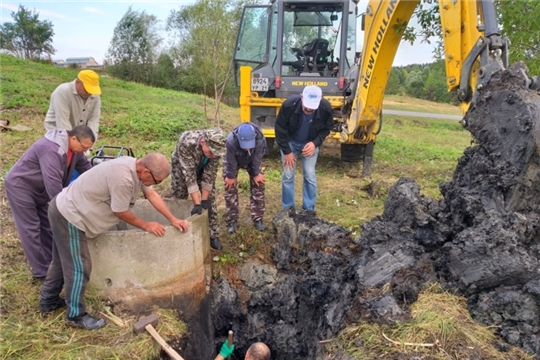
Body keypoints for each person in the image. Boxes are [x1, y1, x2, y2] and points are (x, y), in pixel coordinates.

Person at [39, 153, 189, 330]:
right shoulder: (123, 178)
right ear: (146, 171)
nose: (154, 185)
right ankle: (75, 315)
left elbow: (152, 196)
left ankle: (48, 301)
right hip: (70, 215)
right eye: (156, 181)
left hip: (64, 207)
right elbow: (120, 211)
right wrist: (146, 225)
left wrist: (173, 219)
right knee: (80, 266)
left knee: (61, 261)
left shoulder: (136, 169)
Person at [4, 126, 95, 280]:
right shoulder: (51, 150)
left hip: (39, 189)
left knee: (46, 224)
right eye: (84, 147)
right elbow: (53, 185)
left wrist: (98, 183)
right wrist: (66, 211)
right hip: (21, 187)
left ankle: (51, 263)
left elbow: (86, 168)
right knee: (31, 228)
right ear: (73, 139)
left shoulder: (75, 150)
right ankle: (41, 271)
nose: (84, 151)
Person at [274, 85, 333, 211]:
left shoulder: (325, 108)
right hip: (290, 142)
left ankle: (308, 209)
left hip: (310, 143)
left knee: (309, 175)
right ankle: (288, 209)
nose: (309, 109)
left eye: (312, 108)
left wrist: (315, 143)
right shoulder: (289, 105)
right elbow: (280, 129)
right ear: (301, 97)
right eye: (306, 106)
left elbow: (326, 129)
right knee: (288, 175)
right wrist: (287, 151)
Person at [169, 128, 227, 250]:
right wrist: (197, 203)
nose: (214, 156)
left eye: (216, 154)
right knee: (179, 196)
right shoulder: (187, 143)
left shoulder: (216, 149)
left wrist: (204, 200)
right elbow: (189, 176)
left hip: (202, 166)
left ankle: (212, 234)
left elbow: (209, 176)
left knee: (210, 200)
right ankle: (177, 230)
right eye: (211, 152)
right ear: (202, 142)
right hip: (182, 167)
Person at [223, 123, 268, 234]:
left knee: (259, 183)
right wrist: (230, 176)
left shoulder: (260, 139)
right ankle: (232, 220)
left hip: (252, 160)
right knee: (229, 186)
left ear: (255, 135)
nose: (247, 147)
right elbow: (230, 161)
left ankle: (258, 218)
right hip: (233, 161)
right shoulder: (231, 141)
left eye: (249, 144)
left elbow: (257, 157)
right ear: (238, 137)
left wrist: (256, 173)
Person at [44, 70, 101, 140]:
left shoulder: (95, 96)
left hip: (78, 135)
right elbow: (63, 124)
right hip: (57, 133)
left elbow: (93, 122)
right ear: (77, 83)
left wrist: (88, 145)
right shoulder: (62, 92)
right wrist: (73, 145)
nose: (89, 93)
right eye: (86, 89)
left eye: (92, 90)